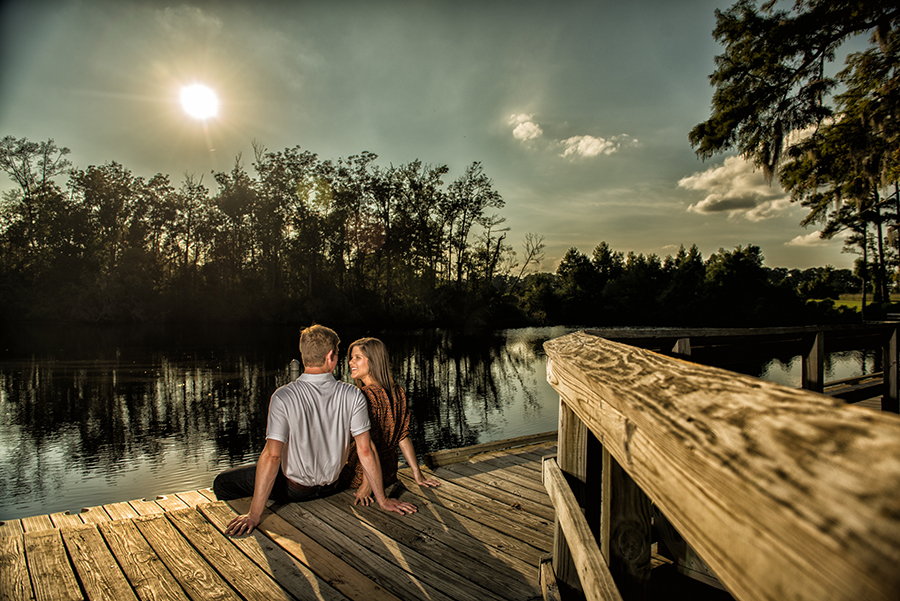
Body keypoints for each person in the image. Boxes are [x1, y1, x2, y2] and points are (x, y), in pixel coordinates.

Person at [215, 325, 417, 536]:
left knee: (222, 483)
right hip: (333, 485)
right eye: (339, 354)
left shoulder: (284, 396)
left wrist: (254, 514)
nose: (340, 359)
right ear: (330, 356)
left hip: (296, 491)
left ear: (303, 356)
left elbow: (272, 456)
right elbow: (366, 450)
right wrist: (382, 500)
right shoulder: (352, 394)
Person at [339, 337, 440, 506]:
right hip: (388, 472)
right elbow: (402, 436)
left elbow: (369, 446)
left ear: (373, 361)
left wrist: (367, 484)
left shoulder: (363, 396)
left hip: (362, 474)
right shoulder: (397, 391)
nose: (350, 362)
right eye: (351, 357)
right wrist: (417, 473)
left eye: (357, 357)